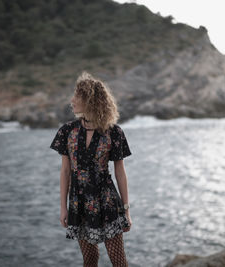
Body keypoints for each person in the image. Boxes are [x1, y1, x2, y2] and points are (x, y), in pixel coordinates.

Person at [50, 71, 132, 267]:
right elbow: (65, 172)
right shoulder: (67, 131)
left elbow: (120, 172)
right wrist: (63, 208)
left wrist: (126, 210)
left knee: (118, 261)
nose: (72, 100)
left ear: (90, 100)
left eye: (77, 96)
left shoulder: (114, 132)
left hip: (107, 202)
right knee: (90, 259)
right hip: (79, 203)